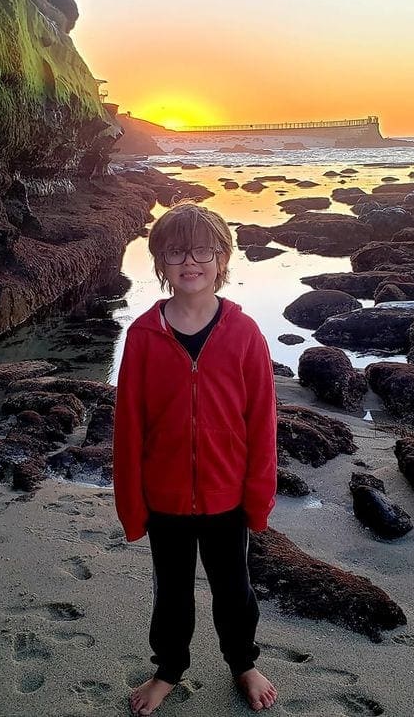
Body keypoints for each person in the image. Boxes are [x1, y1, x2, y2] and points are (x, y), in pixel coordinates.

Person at [112, 202, 279, 715]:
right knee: (172, 594)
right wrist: (132, 505)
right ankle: (168, 669)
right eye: (178, 251)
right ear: (161, 260)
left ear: (222, 258)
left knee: (235, 590)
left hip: (227, 494)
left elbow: (262, 422)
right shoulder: (142, 337)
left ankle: (243, 663)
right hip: (164, 498)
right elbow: (128, 428)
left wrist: (258, 498)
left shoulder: (244, 333)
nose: (192, 261)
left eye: (204, 250)